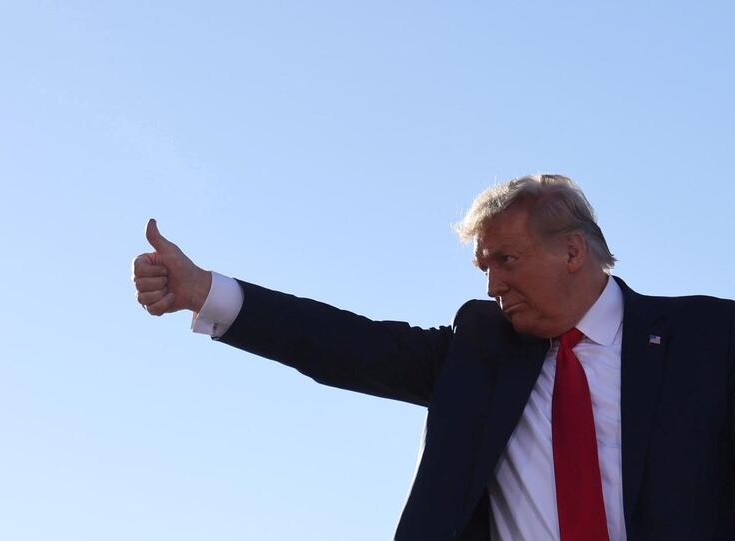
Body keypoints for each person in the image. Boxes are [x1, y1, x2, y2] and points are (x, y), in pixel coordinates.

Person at [132, 174, 734, 540]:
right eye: (484, 266)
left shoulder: (708, 338)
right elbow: (347, 345)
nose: (492, 285)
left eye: (507, 260)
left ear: (572, 252)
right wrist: (206, 290)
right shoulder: (479, 349)